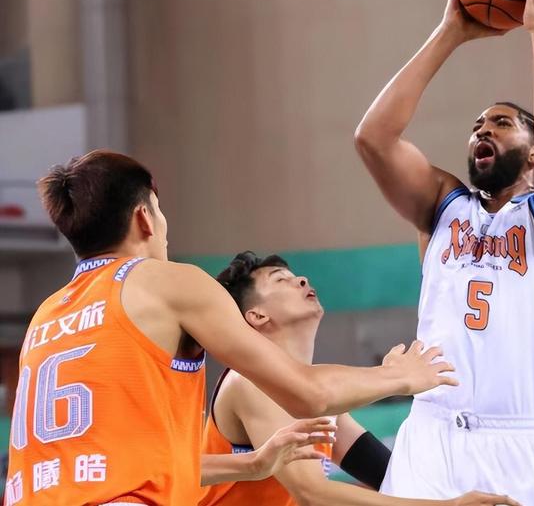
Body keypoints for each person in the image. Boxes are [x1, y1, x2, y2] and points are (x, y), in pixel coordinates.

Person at [4, 150, 456, 506]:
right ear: (144, 217)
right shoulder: (167, 283)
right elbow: (309, 400)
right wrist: (399, 375)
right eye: (160, 211)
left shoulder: (48, 314)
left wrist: (251, 465)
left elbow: (134, 460)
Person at [354, 0, 534, 505]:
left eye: (503, 123)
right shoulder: (442, 206)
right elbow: (373, 137)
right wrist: (451, 31)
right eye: (477, 125)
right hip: (432, 433)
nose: (483, 129)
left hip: (522, 442)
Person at [199, 251, 520, 506]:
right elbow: (313, 494)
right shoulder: (251, 382)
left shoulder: (318, 396)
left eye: (295, 275)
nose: (301, 279)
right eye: (281, 280)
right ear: (257, 315)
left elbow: (389, 475)